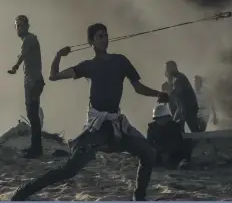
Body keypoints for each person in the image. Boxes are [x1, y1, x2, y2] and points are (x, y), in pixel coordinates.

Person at [10, 23, 169, 202]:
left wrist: (158, 93)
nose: (104, 39)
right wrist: (58, 56)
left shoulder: (120, 61)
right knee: (69, 170)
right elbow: (54, 76)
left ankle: (139, 197)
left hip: (117, 124)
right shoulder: (88, 66)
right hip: (97, 126)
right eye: (100, 36)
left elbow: (138, 87)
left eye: (106, 35)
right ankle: (25, 191)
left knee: (147, 153)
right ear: (91, 42)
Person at [7, 15, 45, 158]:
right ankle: (35, 147)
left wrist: (15, 67)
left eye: (21, 25)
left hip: (33, 81)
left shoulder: (29, 39)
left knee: (32, 115)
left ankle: (36, 149)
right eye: (17, 25)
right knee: (32, 114)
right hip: (33, 81)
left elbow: (22, 55)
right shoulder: (29, 39)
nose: (19, 28)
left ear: (27, 26)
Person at [147, 103, 193, 170]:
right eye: (158, 119)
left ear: (167, 117)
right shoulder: (152, 128)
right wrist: (159, 151)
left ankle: (181, 163)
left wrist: (168, 152)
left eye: (162, 118)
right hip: (159, 152)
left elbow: (178, 141)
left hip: (173, 151)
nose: (160, 121)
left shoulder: (174, 126)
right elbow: (149, 143)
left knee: (186, 144)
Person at [164, 60, 200, 132]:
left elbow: (177, 92)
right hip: (183, 108)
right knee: (177, 127)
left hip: (188, 107)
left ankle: (202, 141)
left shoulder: (179, 78)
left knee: (193, 128)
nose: (167, 71)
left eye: (168, 68)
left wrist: (168, 91)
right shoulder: (175, 78)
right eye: (166, 69)